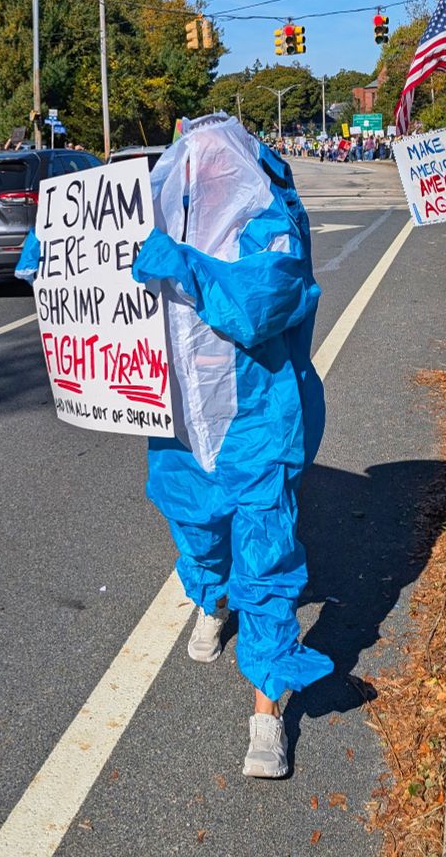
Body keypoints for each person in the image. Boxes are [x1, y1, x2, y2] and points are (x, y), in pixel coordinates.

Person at [131, 115, 333, 775]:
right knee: (194, 525)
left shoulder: (267, 216)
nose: (196, 177)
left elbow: (261, 307)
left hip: (255, 415)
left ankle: (267, 712)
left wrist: (181, 264)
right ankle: (209, 599)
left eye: (207, 167)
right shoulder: (158, 211)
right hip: (179, 412)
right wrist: (53, 253)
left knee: (266, 555)